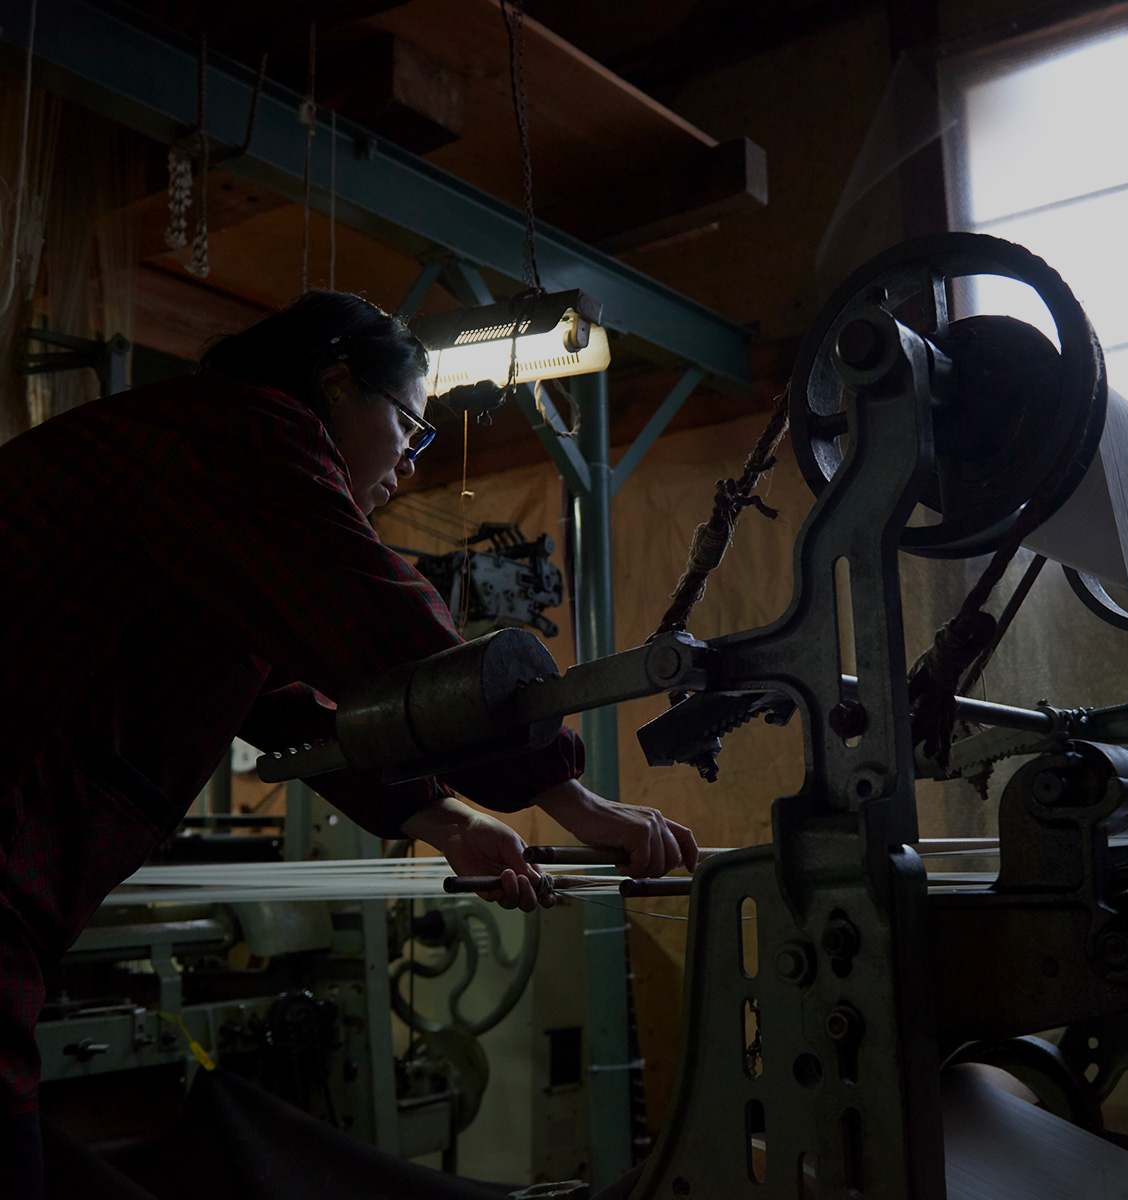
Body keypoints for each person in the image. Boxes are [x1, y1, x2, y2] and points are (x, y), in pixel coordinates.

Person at [0, 291, 697, 1199]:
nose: (407, 466)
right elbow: (388, 625)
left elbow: (286, 703)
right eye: (408, 426)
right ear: (333, 386)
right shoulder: (245, 432)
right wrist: (574, 800)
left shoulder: (203, 464)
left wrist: (445, 819)